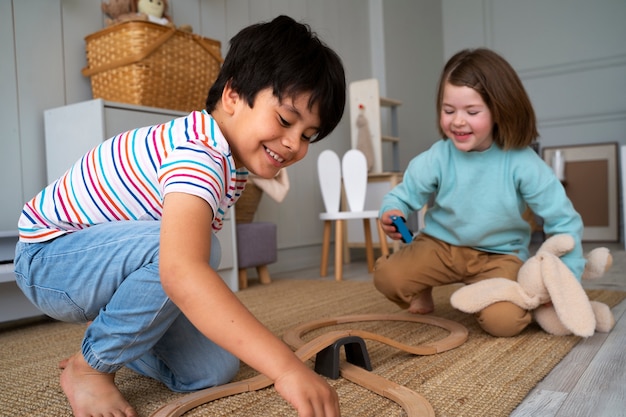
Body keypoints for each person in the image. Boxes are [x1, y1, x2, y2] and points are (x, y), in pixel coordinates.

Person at [14, 15, 345, 417]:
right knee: (191, 256)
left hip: (98, 267)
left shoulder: (230, 164)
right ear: (233, 97)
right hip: (49, 259)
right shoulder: (198, 153)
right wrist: (286, 368)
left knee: (212, 368)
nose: (294, 144)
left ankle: (105, 334)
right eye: (285, 120)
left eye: (308, 135)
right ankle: (90, 368)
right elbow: (180, 271)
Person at [373, 48, 584, 338]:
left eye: (471, 112)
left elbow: (563, 221)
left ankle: (483, 290)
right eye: (449, 111)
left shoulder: (522, 162)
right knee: (387, 278)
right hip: (439, 247)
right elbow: (402, 195)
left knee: (505, 323)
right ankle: (422, 286)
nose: (458, 121)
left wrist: (566, 279)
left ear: (500, 110)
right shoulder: (438, 156)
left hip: (498, 256)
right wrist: (391, 211)